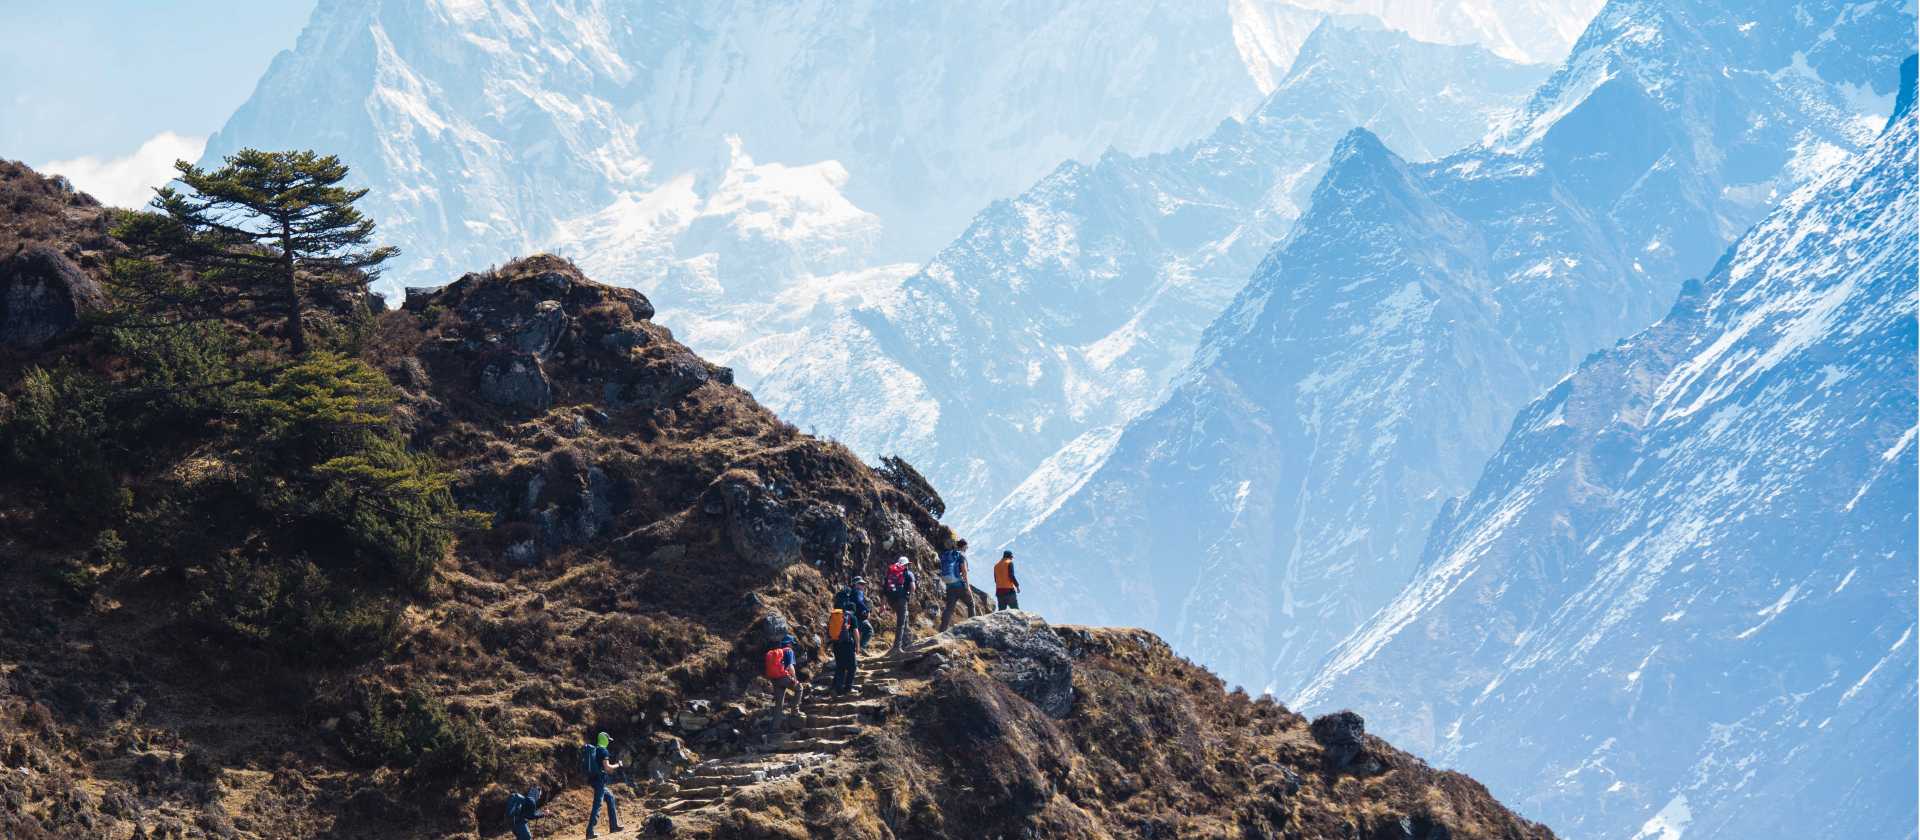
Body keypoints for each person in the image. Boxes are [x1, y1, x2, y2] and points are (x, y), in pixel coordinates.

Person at [583, 732, 621, 838]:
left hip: (594, 779)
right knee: (597, 805)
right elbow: (607, 768)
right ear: (605, 740)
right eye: (608, 740)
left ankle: (614, 826)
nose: (609, 742)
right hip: (599, 781)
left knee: (610, 797)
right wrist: (618, 765)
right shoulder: (603, 751)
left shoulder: (596, 749)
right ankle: (590, 831)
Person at [938, 539, 975, 630]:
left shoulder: (950, 554)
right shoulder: (961, 555)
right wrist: (968, 586)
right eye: (966, 547)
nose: (967, 548)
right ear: (963, 546)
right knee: (971, 604)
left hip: (949, 585)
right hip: (959, 585)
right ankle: (972, 626)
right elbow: (964, 571)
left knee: (949, 608)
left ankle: (942, 629)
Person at [882, 556, 917, 653]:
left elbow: (885, 591)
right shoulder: (908, 573)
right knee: (901, 623)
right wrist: (909, 594)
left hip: (891, 600)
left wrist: (883, 605)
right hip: (901, 600)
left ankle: (906, 642)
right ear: (906, 565)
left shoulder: (890, 574)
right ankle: (897, 647)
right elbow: (913, 587)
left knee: (904, 618)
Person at [766, 634, 804, 722]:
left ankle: (775, 729)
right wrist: (795, 679)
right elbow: (790, 666)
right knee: (799, 688)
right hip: (783, 677)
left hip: (775, 679)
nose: (792, 645)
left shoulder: (778, 652)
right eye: (792, 643)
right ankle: (795, 711)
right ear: (789, 643)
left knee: (779, 705)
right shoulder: (789, 651)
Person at [835, 577, 876, 654]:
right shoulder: (858, 592)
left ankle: (851, 651)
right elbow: (859, 601)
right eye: (861, 584)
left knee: (851, 635)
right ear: (855, 584)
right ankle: (861, 647)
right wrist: (866, 610)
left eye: (863, 584)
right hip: (856, 618)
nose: (863, 586)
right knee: (869, 630)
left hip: (846, 617)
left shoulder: (848, 593)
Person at [829, 603, 861, 695]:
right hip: (847, 645)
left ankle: (838, 688)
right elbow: (855, 632)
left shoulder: (835, 616)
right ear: (854, 610)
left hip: (836, 644)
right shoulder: (852, 617)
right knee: (852, 667)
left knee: (840, 667)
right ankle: (848, 688)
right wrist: (858, 646)